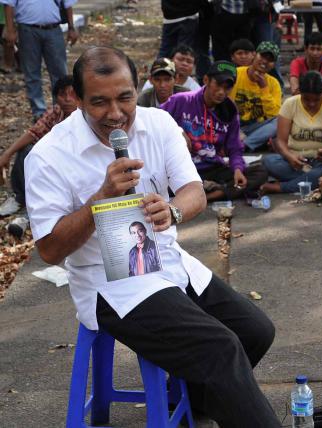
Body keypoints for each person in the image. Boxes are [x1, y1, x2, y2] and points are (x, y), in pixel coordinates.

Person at [24, 46, 280, 427]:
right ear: (76, 100)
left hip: (167, 259)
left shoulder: (158, 124)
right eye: (99, 102)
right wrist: (100, 200)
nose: (115, 114)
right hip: (109, 283)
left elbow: (192, 189)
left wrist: (173, 210)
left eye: (125, 98)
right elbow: (48, 249)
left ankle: (196, 404)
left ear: (136, 87)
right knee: (220, 348)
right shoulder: (48, 156)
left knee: (255, 331)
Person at [162, 60, 268, 201]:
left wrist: (237, 169)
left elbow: (235, 148)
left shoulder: (230, 110)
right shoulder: (181, 100)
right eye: (218, 85)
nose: (221, 92)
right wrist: (177, 130)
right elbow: (155, 122)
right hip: (181, 168)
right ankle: (210, 192)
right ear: (206, 80)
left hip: (212, 167)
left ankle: (209, 196)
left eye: (227, 88)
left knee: (259, 172)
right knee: (159, 181)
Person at [0, 76, 77, 216]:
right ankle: (20, 198)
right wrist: (7, 154)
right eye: (62, 94)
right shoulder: (57, 111)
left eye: (72, 94)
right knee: (26, 149)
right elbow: (34, 132)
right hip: (54, 158)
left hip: (73, 167)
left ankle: (33, 213)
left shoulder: (87, 115)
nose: (67, 99)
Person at [261, 71, 322, 194]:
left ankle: (282, 187)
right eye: (306, 99)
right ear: (300, 93)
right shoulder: (290, 104)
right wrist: (290, 156)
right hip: (296, 162)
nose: (311, 103)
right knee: (269, 161)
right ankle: (316, 181)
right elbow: (280, 141)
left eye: (316, 99)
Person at [1, 0, 79, 120]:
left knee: (60, 74)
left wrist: (71, 27)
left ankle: (61, 111)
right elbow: (9, 4)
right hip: (27, 29)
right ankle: (39, 113)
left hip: (54, 29)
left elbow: (68, 4)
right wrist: (10, 29)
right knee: (32, 73)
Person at [229, 41, 282, 151]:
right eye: (262, 56)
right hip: (233, 123)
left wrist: (264, 88)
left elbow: (273, 114)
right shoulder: (236, 73)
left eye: (270, 60)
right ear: (254, 55)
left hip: (256, 127)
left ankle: (245, 145)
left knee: (280, 121)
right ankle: (248, 142)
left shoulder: (273, 83)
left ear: (273, 65)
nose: (265, 61)